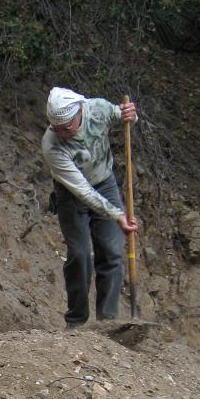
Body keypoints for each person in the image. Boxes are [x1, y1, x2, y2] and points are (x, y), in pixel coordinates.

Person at [42, 87, 138, 329]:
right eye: (57, 128)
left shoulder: (98, 109)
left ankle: (108, 322)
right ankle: (76, 321)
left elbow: (123, 117)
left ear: (80, 111)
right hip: (71, 193)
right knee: (79, 254)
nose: (63, 133)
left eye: (67, 127)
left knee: (112, 251)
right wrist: (117, 214)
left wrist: (131, 115)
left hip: (105, 183)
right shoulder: (52, 144)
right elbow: (82, 190)